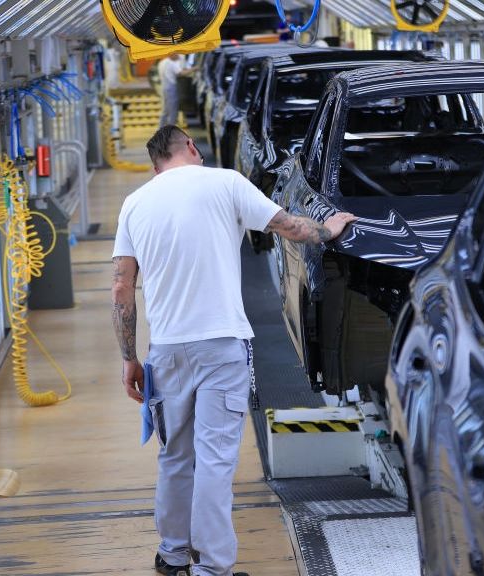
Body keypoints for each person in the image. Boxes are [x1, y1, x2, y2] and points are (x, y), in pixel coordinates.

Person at [110, 125, 357, 576]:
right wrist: (329, 229)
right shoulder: (226, 183)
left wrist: (129, 357)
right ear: (190, 146)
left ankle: (172, 553)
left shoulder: (135, 203)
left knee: (175, 455)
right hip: (221, 346)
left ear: (155, 165)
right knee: (215, 459)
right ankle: (212, 568)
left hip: (166, 350)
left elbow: (122, 288)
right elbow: (289, 227)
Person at [158, 54, 189, 127]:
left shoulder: (162, 62)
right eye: (177, 55)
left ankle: (161, 128)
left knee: (165, 110)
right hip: (171, 89)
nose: (178, 57)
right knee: (173, 111)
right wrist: (194, 69)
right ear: (172, 55)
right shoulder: (171, 63)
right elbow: (181, 73)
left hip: (164, 88)